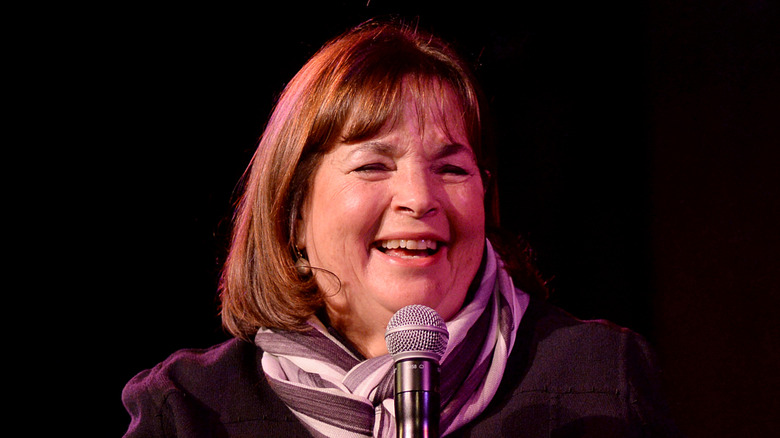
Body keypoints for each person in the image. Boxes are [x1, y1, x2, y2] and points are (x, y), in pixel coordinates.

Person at [122, 19, 680, 437]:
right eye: (372, 165)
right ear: (292, 211)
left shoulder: (600, 381)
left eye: (452, 169)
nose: (420, 199)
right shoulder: (190, 411)